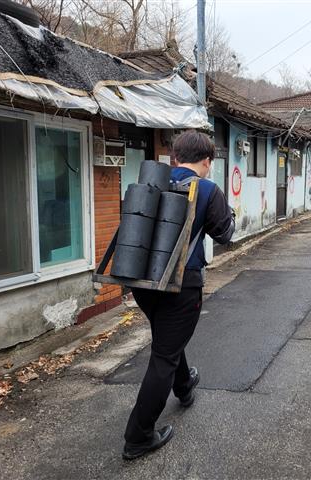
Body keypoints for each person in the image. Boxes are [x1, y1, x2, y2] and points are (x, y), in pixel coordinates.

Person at [122, 130, 235, 460]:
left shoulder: (150, 181)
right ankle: (138, 436)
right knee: (164, 356)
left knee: (167, 340)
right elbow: (224, 234)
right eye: (210, 162)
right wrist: (230, 216)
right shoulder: (208, 189)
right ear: (206, 162)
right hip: (182, 286)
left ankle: (184, 385)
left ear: (174, 158)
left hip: (144, 282)